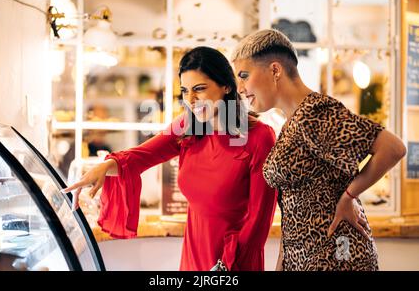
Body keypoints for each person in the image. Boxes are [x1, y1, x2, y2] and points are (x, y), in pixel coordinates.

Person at [62, 46, 278, 271]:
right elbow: (141, 156)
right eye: (185, 91)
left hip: (234, 261)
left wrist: (226, 265)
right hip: (194, 258)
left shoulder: (258, 137)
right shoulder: (188, 126)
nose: (191, 100)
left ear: (226, 86)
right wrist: (104, 166)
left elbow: (259, 220)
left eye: (200, 89)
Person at [231, 29, 406, 271]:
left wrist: (349, 196)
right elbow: (295, 204)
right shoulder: (292, 122)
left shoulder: (314, 112)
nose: (239, 88)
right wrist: (283, 262)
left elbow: (392, 148)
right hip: (305, 258)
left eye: (244, 75)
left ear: (274, 70)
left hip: (336, 257)